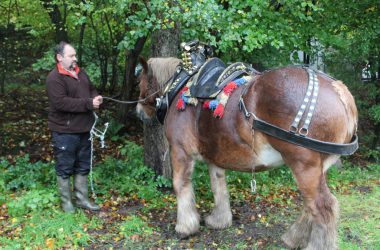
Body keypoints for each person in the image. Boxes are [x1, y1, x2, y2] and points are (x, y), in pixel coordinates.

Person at [46, 41, 103, 212]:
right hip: (65, 131)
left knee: (83, 165)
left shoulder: (80, 72)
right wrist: (88, 103)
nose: (75, 59)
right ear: (59, 57)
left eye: (75, 55)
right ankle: (67, 205)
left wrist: (96, 98)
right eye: (71, 56)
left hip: (84, 129)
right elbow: (61, 103)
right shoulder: (54, 78)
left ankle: (81, 200)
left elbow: (91, 89)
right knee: (65, 167)